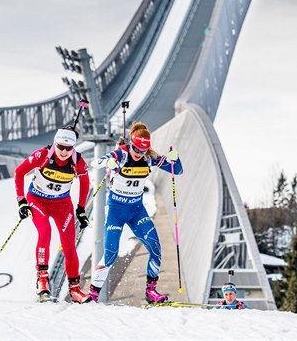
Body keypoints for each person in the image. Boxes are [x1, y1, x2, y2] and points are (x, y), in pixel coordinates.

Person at [87, 122, 182, 303]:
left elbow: (176, 170)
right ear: (131, 143)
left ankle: (151, 291)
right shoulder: (121, 153)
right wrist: (108, 161)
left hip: (137, 210)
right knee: (110, 254)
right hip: (116, 210)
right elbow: (95, 162)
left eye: (143, 151)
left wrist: (175, 159)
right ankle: (92, 295)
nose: (139, 154)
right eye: (136, 150)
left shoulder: (148, 157)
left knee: (156, 249)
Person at [14, 126, 92, 303]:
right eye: (60, 147)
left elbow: (85, 182)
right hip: (37, 200)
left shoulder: (77, 161)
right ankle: (42, 279)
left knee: (69, 244)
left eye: (68, 148)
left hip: (62, 205)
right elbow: (19, 172)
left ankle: (75, 289)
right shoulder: (43, 155)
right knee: (45, 232)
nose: (64, 152)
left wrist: (80, 209)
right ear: (55, 144)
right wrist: (21, 201)